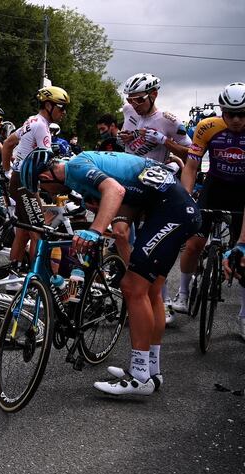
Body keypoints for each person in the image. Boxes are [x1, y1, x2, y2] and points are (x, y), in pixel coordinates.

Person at [20, 148, 200, 396]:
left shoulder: (76, 167)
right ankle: (151, 371)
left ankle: (139, 377)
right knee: (150, 291)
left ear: (45, 175)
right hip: (170, 207)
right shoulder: (85, 166)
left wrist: (94, 231)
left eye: (42, 188)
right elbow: (122, 216)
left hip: (171, 211)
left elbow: (115, 190)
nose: (46, 194)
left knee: (133, 288)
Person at [118, 73, 193, 325]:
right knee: (121, 234)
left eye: (139, 100)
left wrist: (165, 141)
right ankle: (134, 291)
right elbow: (126, 135)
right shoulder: (128, 109)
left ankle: (159, 299)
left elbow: (191, 152)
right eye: (131, 99)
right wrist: (123, 137)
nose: (135, 104)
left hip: (155, 186)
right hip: (130, 179)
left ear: (154, 95)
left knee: (153, 248)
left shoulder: (169, 120)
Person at [175, 83, 245, 339]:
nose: (236, 119)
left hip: (243, 192)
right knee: (193, 242)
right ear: (221, 111)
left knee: (243, 257)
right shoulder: (207, 126)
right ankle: (182, 294)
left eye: (242, 113)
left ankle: (244, 315)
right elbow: (192, 166)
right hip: (215, 185)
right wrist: (184, 200)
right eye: (230, 113)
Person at [2, 86, 70, 289]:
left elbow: (7, 143)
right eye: (61, 107)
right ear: (48, 105)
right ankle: (40, 279)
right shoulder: (42, 126)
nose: (64, 112)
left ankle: (12, 278)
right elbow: (49, 162)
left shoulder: (31, 121)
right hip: (25, 183)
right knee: (38, 231)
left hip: (20, 180)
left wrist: (8, 172)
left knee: (24, 230)